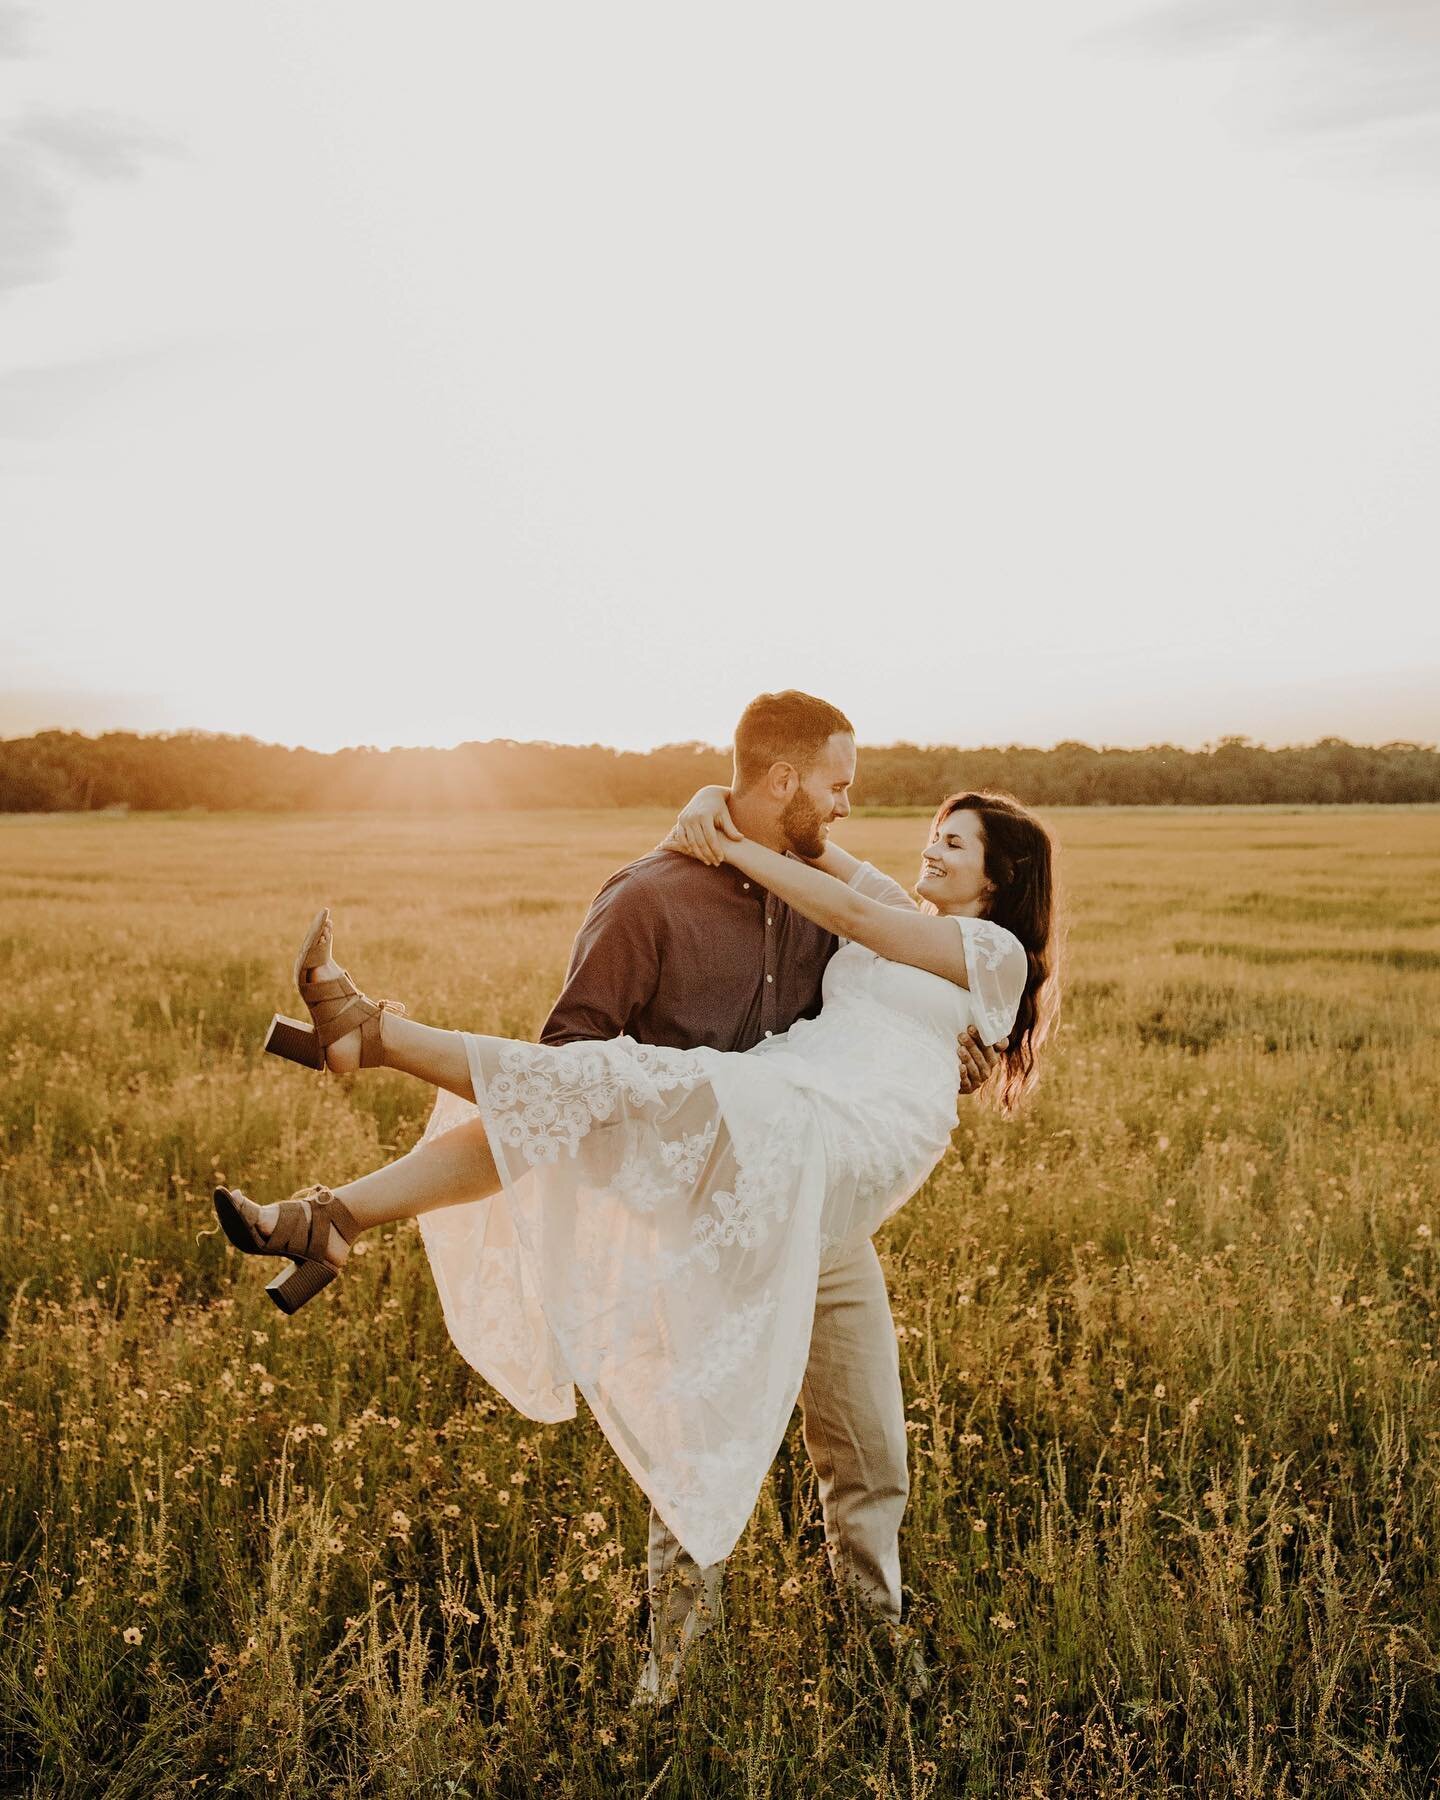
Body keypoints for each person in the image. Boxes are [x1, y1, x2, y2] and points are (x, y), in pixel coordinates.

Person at [213, 691, 1059, 1703]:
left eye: (951, 843)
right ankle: (668, 1678)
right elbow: (818, 857)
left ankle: (887, 1663)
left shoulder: (987, 951)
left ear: (998, 876)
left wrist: (736, 841)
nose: (920, 845)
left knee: (871, 1457)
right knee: (612, 1137)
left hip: (833, 1164)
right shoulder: (855, 908)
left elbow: (843, 906)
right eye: (917, 828)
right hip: (778, 1153)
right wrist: (715, 803)